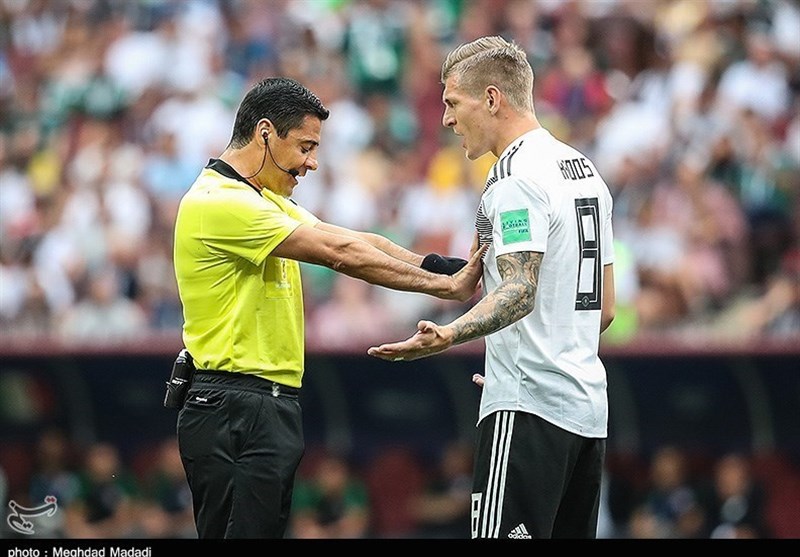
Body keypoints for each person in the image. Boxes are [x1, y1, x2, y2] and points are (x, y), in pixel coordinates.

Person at [172, 76, 485, 539]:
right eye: (305, 146)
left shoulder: (262, 199)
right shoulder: (218, 202)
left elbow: (359, 240)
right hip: (233, 405)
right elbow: (340, 254)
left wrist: (447, 267)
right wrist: (445, 285)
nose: (312, 163)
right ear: (264, 133)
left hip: (262, 403)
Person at [368, 36, 616, 539]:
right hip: (587, 414)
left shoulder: (516, 177)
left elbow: (520, 290)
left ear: (491, 99)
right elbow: (604, 310)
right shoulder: (585, 171)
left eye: (452, 103)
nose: (445, 120)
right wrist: (519, 359)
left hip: (529, 412)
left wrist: (448, 335)